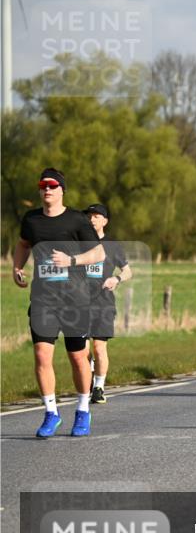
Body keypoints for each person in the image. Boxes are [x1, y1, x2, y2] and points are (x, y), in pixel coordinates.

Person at [13, 168, 105, 437]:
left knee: (77, 357)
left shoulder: (76, 220)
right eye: (43, 185)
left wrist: (72, 261)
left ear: (62, 189)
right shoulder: (31, 219)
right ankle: (50, 413)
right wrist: (17, 268)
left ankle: (83, 410)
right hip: (43, 299)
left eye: (53, 186)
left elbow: (99, 253)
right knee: (42, 355)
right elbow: (22, 244)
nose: (48, 190)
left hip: (75, 300)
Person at [85, 204, 132, 405]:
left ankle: (98, 387)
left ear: (105, 221)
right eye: (89, 216)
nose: (92, 220)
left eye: (96, 216)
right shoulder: (79, 243)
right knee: (81, 349)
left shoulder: (112, 245)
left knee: (99, 346)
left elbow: (128, 271)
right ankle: (86, 380)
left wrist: (117, 279)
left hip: (103, 304)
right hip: (80, 303)